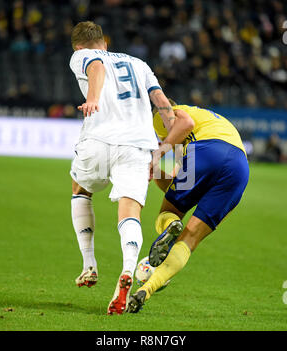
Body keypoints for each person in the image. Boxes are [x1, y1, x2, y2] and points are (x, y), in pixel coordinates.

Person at [69, 21, 176, 315]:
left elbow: (97, 69)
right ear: (105, 41)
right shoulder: (140, 64)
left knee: (81, 189)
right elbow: (161, 102)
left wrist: (92, 98)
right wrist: (173, 135)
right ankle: (128, 269)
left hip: (99, 139)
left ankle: (89, 264)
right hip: (138, 146)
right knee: (130, 211)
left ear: (79, 46)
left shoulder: (82, 55)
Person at [127, 99, 249, 313]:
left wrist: (156, 154)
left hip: (205, 151)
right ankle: (147, 289)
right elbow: (175, 185)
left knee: (167, 213)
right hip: (239, 168)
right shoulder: (207, 123)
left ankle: (171, 225)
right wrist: (154, 168)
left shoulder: (165, 112)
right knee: (190, 239)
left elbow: (185, 123)